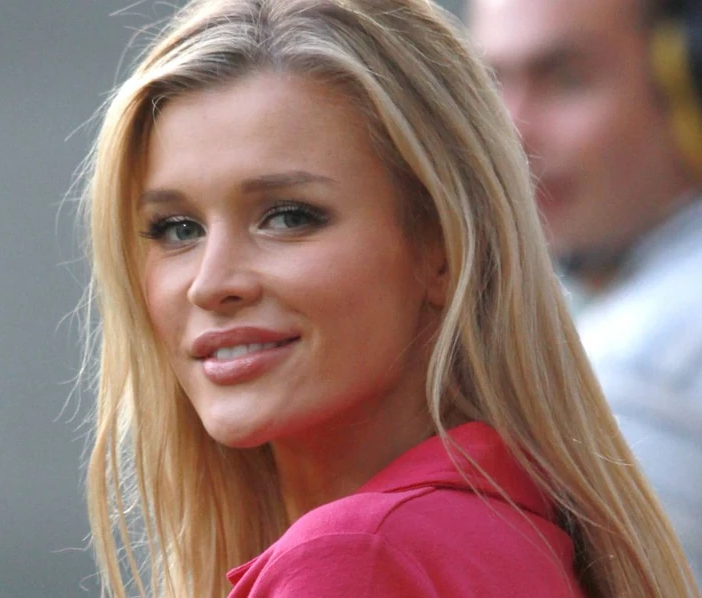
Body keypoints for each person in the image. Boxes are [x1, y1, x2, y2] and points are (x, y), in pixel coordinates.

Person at [77, 0, 699, 596]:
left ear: (443, 245)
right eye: (177, 229)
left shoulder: (356, 557)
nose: (212, 283)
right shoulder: (512, 531)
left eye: (289, 216)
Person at [468, 0, 702, 577]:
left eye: (567, 80)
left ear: (688, 85)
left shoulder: (639, 370)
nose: (512, 131)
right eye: (491, 84)